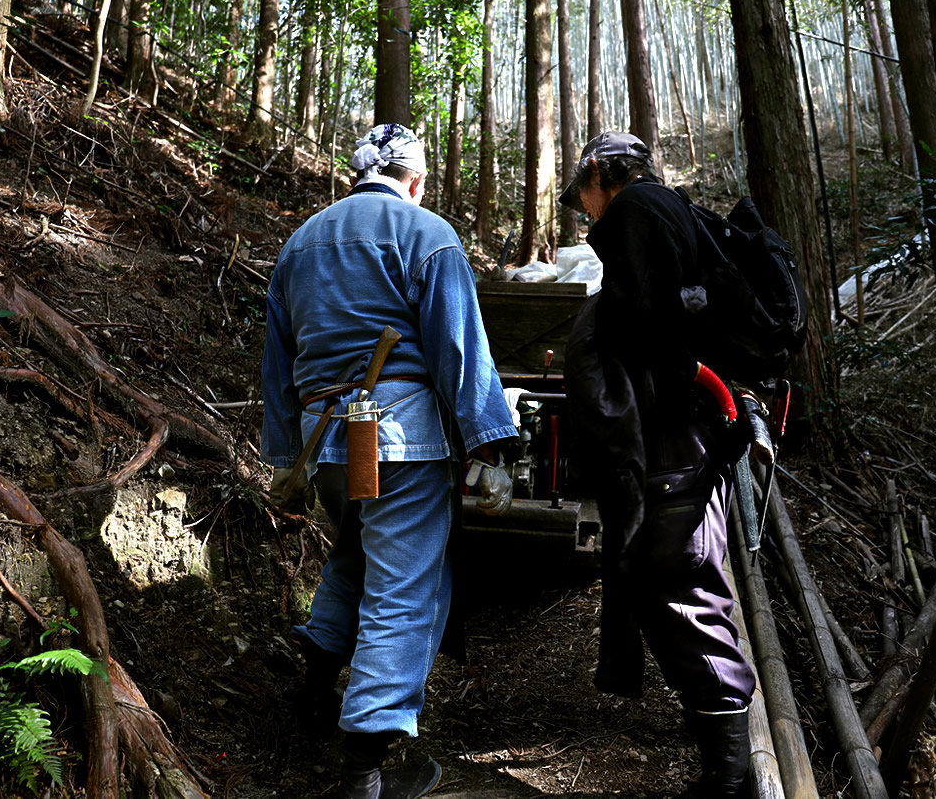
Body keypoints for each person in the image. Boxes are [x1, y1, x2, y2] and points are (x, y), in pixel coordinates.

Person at [261, 123, 518, 799]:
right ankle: (368, 768)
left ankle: (318, 673)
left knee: (353, 552)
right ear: (416, 179)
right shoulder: (425, 233)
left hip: (327, 447)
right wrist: (490, 440)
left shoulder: (299, 244)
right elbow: (459, 349)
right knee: (406, 591)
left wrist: (285, 454)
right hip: (402, 440)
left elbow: (277, 363)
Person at [559, 132, 756, 798]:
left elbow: (651, 333)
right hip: (685, 437)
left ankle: (728, 780)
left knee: (678, 582)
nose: (584, 214)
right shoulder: (671, 209)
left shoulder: (636, 213)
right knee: (675, 577)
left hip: (672, 443)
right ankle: (725, 770)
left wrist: (650, 407)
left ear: (597, 173)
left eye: (582, 201)